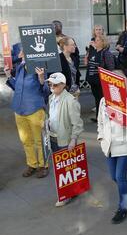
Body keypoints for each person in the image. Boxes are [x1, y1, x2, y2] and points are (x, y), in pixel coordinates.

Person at [4, 50, 50, 178]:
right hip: (19, 109)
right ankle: (32, 164)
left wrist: (41, 78)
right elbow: (17, 87)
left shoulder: (38, 66)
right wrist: (9, 76)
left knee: (40, 140)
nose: (18, 52)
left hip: (34, 109)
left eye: (21, 50)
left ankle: (43, 165)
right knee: (25, 140)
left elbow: (46, 90)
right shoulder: (19, 67)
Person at [97, 72, 127, 224]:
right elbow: (100, 120)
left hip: (124, 144)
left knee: (119, 177)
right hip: (109, 145)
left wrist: (116, 108)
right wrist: (101, 137)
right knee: (115, 177)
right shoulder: (102, 101)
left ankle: (123, 208)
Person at [47, 72, 84, 207]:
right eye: (50, 84)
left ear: (63, 85)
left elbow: (78, 123)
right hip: (53, 137)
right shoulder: (51, 98)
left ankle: (67, 195)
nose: (52, 86)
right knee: (61, 168)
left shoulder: (70, 100)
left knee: (66, 169)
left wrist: (73, 139)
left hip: (65, 139)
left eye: (55, 84)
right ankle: (72, 191)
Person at [86, 34, 115, 122]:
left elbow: (110, 68)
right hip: (93, 81)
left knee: (103, 99)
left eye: (97, 40)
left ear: (103, 42)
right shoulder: (93, 52)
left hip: (101, 81)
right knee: (97, 99)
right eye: (95, 40)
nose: (95, 41)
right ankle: (98, 117)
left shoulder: (106, 53)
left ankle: (105, 117)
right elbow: (89, 64)